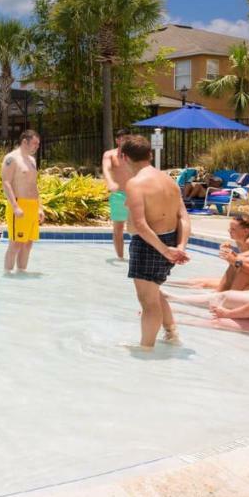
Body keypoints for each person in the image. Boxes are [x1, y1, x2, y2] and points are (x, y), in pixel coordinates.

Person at [122, 134, 191, 349]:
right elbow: (184, 217)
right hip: (170, 240)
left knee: (148, 302)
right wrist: (179, 247)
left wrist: (165, 251)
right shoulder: (168, 179)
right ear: (149, 154)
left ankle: (146, 349)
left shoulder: (136, 184)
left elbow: (141, 225)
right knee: (155, 292)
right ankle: (171, 333)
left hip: (150, 245)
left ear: (124, 158)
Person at [169, 213, 249, 290]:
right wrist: (230, 251)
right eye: (230, 228)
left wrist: (233, 255)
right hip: (242, 274)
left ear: (246, 231)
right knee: (199, 281)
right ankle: (167, 283)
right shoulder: (240, 241)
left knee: (202, 284)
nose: (229, 231)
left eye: (233, 229)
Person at [2, 130, 42, 274]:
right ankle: (7, 274)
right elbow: (6, 183)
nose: (37, 146)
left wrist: (40, 208)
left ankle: (21, 273)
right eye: (35, 143)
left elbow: (34, 185)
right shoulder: (11, 158)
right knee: (16, 243)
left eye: (38, 144)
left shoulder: (32, 161)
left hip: (32, 206)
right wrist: (15, 206)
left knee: (28, 243)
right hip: (19, 205)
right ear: (25, 141)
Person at [101, 128, 134, 259]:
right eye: (122, 139)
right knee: (118, 229)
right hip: (118, 195)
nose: (124, 141)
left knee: (137, 227)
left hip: (134, 194)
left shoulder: (134, 155)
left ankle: (135, 257)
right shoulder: (109, 154)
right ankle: (120, 258)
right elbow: (106, 169)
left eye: (127, 139)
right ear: (117, 140)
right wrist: (110, 182)